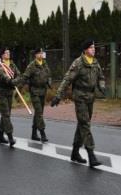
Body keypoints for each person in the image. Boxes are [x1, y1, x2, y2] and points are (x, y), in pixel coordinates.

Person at [51, 40, 105, 168]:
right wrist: (58, 96)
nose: (94, 49)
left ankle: (75, 153)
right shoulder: (78, 63)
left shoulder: (95, 62)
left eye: (94, 47)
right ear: (85, 49)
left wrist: (102, 87)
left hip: (91, 97)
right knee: (85, 124)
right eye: (91, 47)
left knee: (82, 124)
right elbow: (67, 79)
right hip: (80, 97)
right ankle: (91, 155)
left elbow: (101, 77)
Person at [15, 48, 51, 142]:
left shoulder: (44, 64)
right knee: (39, 112)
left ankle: (34, 133)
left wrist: (49, 83)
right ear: (35, 55)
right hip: (35, 91)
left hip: (43, 91)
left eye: (42, 53)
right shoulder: (31, 66)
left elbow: (48, 74)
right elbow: (25, 77)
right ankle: (42, 133)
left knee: (39, 113)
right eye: (39, 53)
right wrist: (18, 89)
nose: (41, 55)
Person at [0, 47, 20, 148]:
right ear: (2, 55)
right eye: (6, 53)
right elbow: (3, 75)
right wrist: (11, 81)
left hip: (10, 91)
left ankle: (0, 136)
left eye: (9, 52)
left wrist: (16, 80)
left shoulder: (12, 64)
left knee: (6, 114)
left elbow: (18, 74)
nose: (8, 54)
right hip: (2, 92)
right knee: (6, 114)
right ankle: (10, 136)